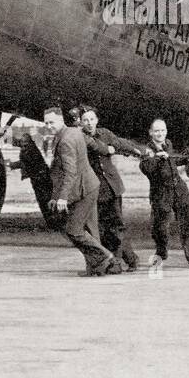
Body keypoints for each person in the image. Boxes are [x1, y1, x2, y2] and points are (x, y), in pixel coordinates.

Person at [44, 106, 118, 276]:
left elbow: (70, 172)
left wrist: (62, 198)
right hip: (90, 185)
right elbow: (92, 143)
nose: (49, 125)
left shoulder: (65, 141)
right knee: (91, 230)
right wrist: (107, 149)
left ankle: (107, 257)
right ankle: (97, 268)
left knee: (73, 230)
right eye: (46, 122)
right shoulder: (75, 132)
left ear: (61, 120)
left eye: (52, 122)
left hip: (84, 189)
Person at [77, 106, 143, 272]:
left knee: (117, 226)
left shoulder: (105, 133)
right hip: (95, 189)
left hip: (112, 187)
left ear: (97, 120)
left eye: (92, 119)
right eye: (85, 120)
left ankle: (126, 260)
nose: (89, 123)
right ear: (81, 122)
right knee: (102, 228)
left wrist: (137, 150)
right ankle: (121, 260)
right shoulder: (81, 138)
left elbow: (119, 143)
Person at [138, 118, 189, 268]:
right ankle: (161, 251)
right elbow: (146, 168)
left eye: (163, 130)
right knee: (160, 228)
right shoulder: (147, 151)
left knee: (186, 224)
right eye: (156, 131)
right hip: (161, 192)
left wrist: (187, 159)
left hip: (179, 189)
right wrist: (158, 159)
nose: (160, 133)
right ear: (151, 132)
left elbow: (173, 161)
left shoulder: (168, 144)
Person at [8, 132, 54, 219]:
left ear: (29, 143)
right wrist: (5, 137)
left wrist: (9, 164)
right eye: (22, 144)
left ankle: (51, 219)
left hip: (40, 178)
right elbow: (16, 142)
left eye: (25, 144)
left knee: (44, 199)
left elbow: (23, 163)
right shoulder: (29, 145)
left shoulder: (31, 151)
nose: (23, 146)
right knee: (43, 199)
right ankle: (50, 219)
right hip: (39, 176)